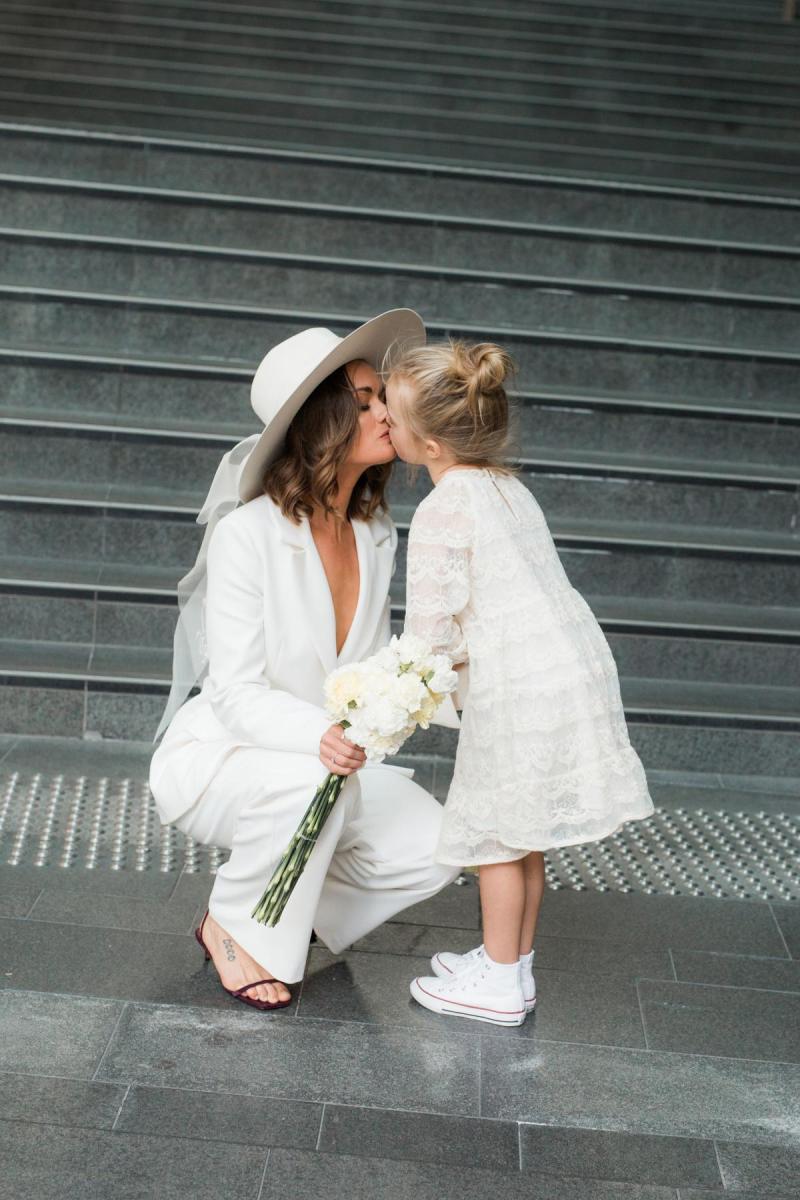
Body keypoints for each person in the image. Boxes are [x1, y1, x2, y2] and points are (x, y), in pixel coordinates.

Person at [149, 310, 462, 1012]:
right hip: (230, 755)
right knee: (304, 785)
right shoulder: (247, 536)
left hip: (331, 761)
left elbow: (377, 665)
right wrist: (318, 738)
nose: (387, 411)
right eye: (364, 401)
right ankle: (234, 926)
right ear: (322, 423)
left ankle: (283, 904)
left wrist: (438, 692)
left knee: (440, 843)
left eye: (379, 396)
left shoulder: (375, 531)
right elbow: (233, 691)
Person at [383, 338, 654, 1026]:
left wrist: (391, 697)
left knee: (498, 837)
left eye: (390, 411)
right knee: (522, 831)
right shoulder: (504, 487)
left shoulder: (444, 509)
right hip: (564, 667)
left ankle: (499, 983)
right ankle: (514, 964)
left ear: (432, 446)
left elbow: (432, 634)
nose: (383, 420)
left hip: (522, 685)